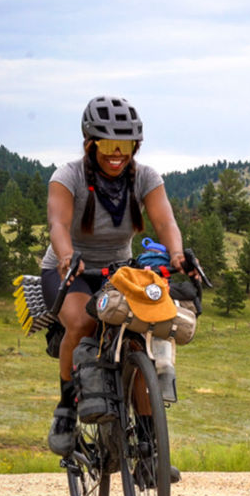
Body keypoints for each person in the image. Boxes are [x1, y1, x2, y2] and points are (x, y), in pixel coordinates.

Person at [41, 95, 188, 462]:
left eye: (125, 145)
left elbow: (165, 221)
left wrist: (177, 255)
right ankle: (65, 412)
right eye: (108, 144)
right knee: (81, 322)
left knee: (140, 336)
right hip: (70, 270)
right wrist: (65, 257)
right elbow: (58, 223)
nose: (116, 153)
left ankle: (150, 446)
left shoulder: (145, 177)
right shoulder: (68, 176)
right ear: (90, 144)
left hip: (119, 272)